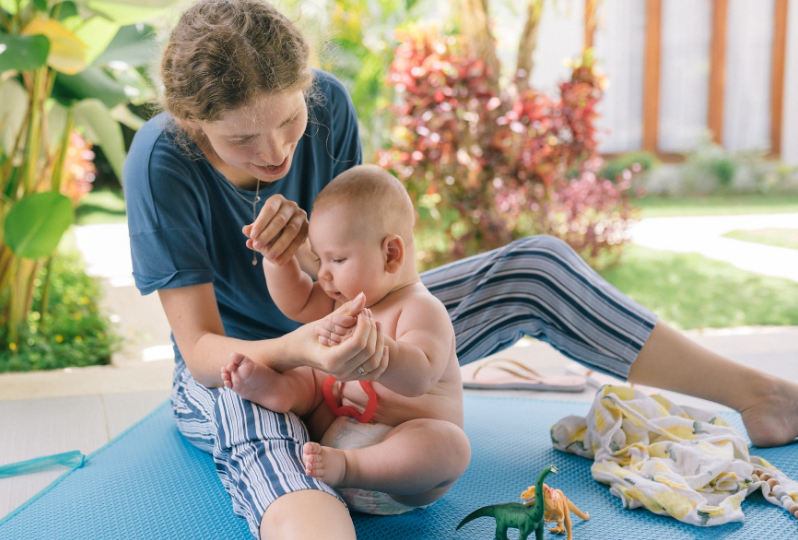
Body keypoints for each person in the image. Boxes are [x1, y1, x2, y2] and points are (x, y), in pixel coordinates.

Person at [123, 0, 798, 538]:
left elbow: (368, 261)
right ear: (193, 124)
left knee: (535, 264)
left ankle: (761, 399)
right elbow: (204, 352)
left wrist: (326, 288)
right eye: (244, 139)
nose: (274, 152)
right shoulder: (161, 162)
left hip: (349, 326)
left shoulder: (329, 106)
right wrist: (300, 350)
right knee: (257, 409)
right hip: (248, 362)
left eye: (288, 121)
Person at [220, 164, 470, 515]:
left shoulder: (421, 309)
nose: (323, 273)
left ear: (391, 254)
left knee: (451, 447)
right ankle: (281, 391)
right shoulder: (341, 300)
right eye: (319, 259)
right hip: (331, 435)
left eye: (337, 259)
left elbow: (421, 377)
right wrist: (279, 260)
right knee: (314, 372)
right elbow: (298, 301)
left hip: (398, 470)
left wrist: (380, 353)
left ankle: (350, 467)